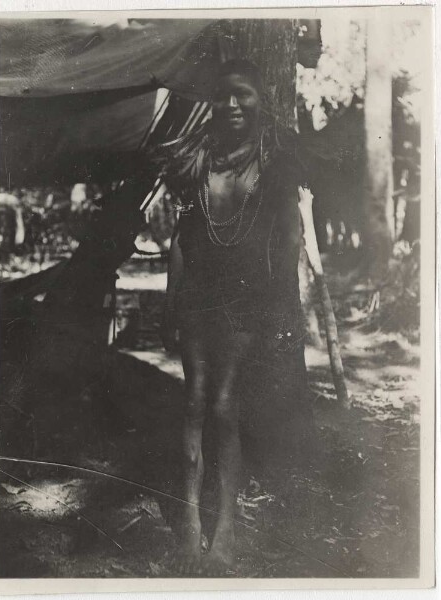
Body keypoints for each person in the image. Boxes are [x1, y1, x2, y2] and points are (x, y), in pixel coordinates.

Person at [156, 59, 311, 575]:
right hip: (199, 297)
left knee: (224, 404)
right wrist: (169, 301)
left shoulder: (274, 162)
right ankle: (190, 525)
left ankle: (224, 532)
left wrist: (281, 305)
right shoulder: (199, 160)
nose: (232, 104)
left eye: (243, 94)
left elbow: (289, 239)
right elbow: (180, 240)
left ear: (260, 99)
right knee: (195, 401)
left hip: (249, 300)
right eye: (224, 96)